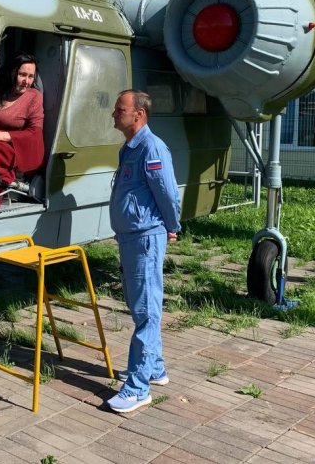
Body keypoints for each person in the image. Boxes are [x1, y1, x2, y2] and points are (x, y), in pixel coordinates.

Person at [106, 89, 181, 414]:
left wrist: (172, 225)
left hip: (145, 238)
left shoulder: (152, 147)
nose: (114, 114)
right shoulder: (129, 148)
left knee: (147, 311)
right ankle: (155, 368)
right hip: (132, 237)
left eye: (119, 109)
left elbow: (167, 191)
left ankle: (138, 388)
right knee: (141, 307)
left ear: (138, 114)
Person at [0, 52, 44, 208]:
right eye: (22, 75)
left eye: (31, 76)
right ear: (11, 73)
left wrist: (4, 135)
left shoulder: (34, 97)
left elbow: (35, 132)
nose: (26, 81)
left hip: (10, 147)